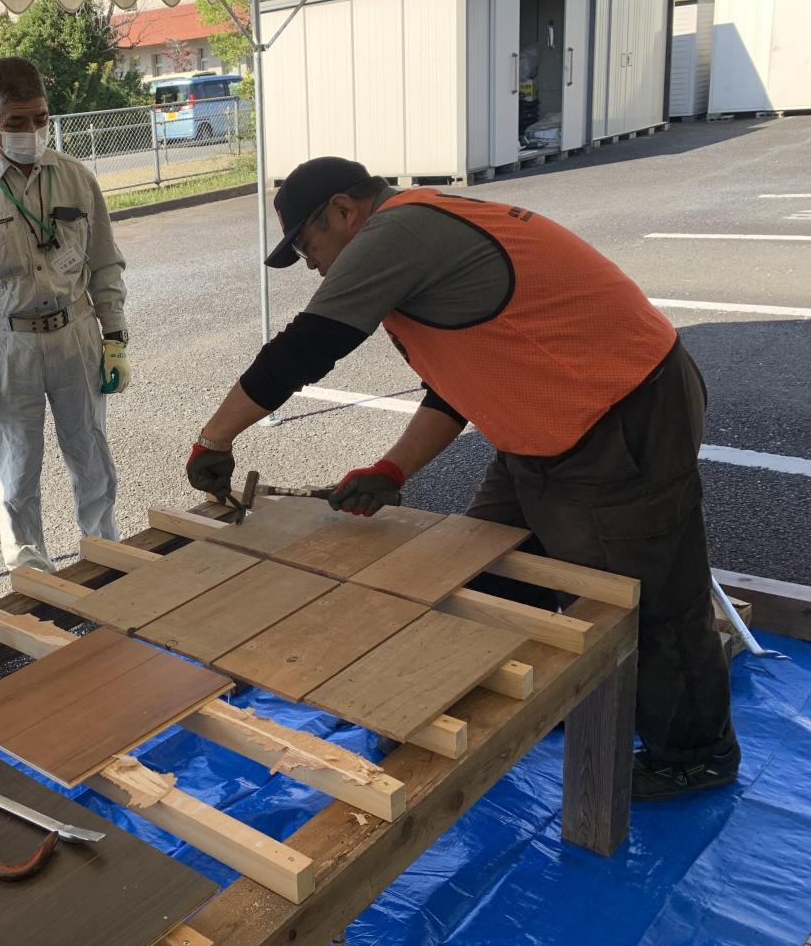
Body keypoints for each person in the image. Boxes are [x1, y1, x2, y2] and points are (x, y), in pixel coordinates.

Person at [185, 156, 738, 801]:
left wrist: (214, 437)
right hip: (546, 415)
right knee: (488, 560)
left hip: (617, 407)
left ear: (343, 210)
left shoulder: (396, 232)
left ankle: (694, 755)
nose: (311, 265)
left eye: (308, 246)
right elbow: (454, 384)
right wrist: (393, 468)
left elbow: (305, 348)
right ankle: (516, 695)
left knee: (646, 592)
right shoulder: (420, 235)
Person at [0, 58, 130, 572]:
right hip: (6, 342)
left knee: (92, 457)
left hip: (75, 332)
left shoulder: (77, 179)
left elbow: (105, 262)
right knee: (16, 469)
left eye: (40, 118)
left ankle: (104, 556)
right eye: (16, 122)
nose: (31, 132)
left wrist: (115, 337)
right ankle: (30, 572)